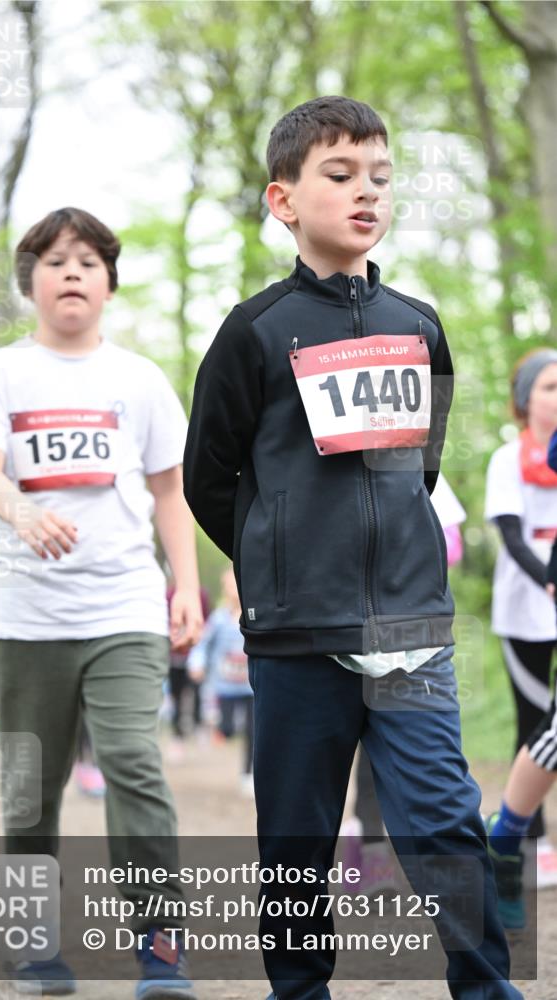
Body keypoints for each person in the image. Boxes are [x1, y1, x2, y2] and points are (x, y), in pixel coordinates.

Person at [184, 96, 523, 1000]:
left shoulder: (418, 323)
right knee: (295, 839)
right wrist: (278, 562)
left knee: (443, 825)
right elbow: (209, 477)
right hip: (298, 637)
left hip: (412, 626)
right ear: (283, 200)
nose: (365, 192)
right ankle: (300, 992)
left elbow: (419, 464)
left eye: (379, 176)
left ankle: (485, 988)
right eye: (339, 176)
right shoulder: (251, 332)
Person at [0, 207, 203, 998]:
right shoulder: (0, 373)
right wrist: (21, 511)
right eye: (56, 260)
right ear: (30, 279)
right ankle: (34, 943)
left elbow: (171, 489)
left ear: (107, 284)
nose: (72, 272)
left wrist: (186, 586)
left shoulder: (138, 379)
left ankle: (160, 946)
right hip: (30, 616)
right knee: (32, 787)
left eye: (89, 262)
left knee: (133, 762)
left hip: (125, 605)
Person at [342, 473, 467, 894]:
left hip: (411, 631)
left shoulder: (417, 465)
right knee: (356, 750)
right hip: (342, 625)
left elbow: (453, 543)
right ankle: (367, 853)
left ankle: (377, 855)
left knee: (397, 757)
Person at [484, 349, 557, 888]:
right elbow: (511, 535)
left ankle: (516, 836)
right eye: (549, 387)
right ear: (525, 398)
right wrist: (550, 580)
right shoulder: (508, 459)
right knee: (536, 722)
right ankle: (523, 840)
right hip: (526, 608)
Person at [187, 566, 254, 796]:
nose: (233, 590)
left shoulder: (253, 616)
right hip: (225, 687)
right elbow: (202, 645)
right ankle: (221, 730)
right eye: (228, 585)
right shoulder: (218, 619)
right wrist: (196, 663)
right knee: (227, 728)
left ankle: (248, 774)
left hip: (250, 687)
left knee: (253, 731)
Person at [165, 581, 210, 762]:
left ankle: (199, 726)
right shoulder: (168, 594)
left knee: (196, 693)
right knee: (176, 698)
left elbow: (207, 621)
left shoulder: (201, 594)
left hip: (194, 656)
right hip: (174, 656)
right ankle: (178, 737)